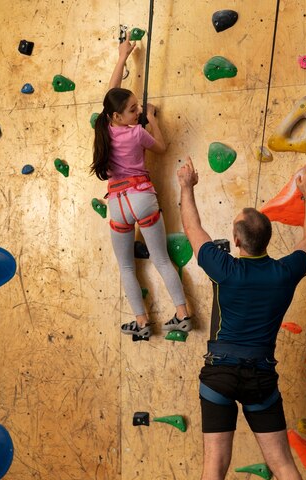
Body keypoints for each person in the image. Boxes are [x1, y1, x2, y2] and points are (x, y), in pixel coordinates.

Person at [176, 156, 306, 480]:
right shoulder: (284, 272)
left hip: (220, 375)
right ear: (266, 240)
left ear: (237, 241)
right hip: (261, 376)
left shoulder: (224, 269)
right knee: (282, 464)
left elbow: (192, 228)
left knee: (214, 466)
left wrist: (187, 186)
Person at [90, 31, 191, 340]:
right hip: (142, 198)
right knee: (160, 259)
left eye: (137, 108)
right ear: (119, 115)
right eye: (133, 109)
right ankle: (182, 314)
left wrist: (123, 56)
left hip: (118, 203)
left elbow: (112, 90)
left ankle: (142, 323)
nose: (136, 112)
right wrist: (151, 119)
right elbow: (162, 146)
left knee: (127, 268)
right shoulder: (137, 133)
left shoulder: (105, 127)